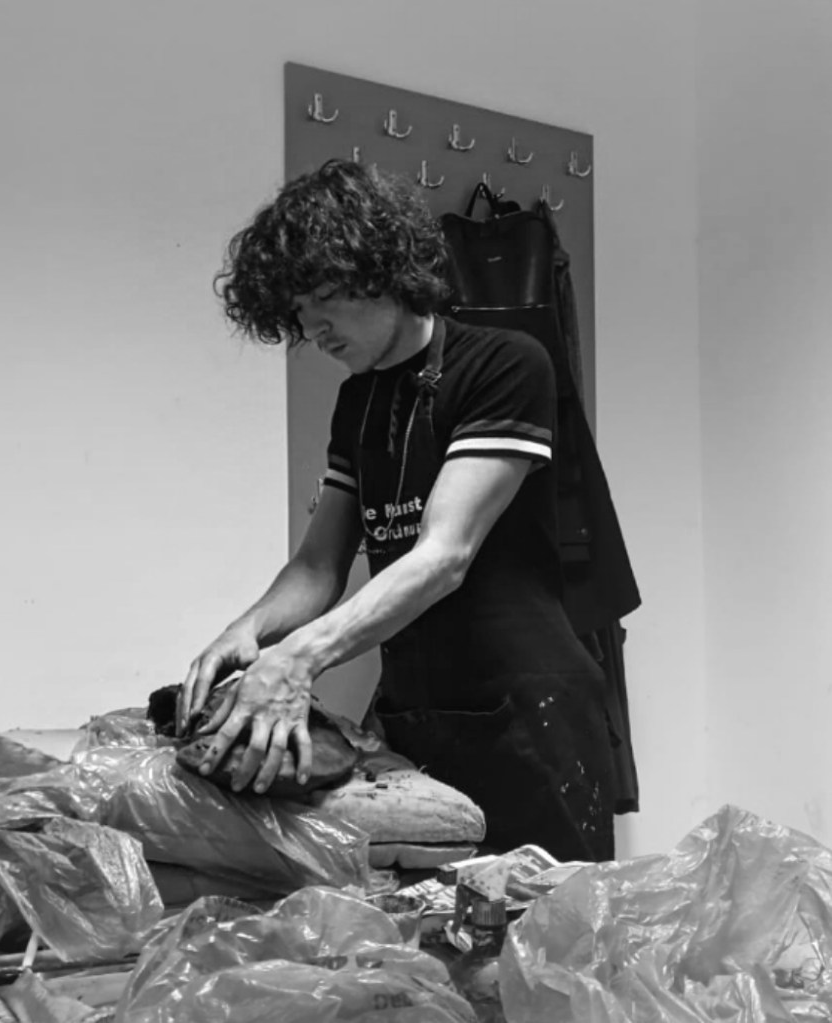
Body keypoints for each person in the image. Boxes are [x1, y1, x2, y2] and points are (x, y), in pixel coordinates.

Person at [178, 158, 616, 861]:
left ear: (380, 270)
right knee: (427, 920)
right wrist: (249, 630)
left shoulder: (505, 363)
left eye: (323, 297)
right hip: (419, 710)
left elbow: (443, 556)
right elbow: (317, 567)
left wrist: (299, 658)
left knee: (542, 921)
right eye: (297, 311)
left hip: (527, 713)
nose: (312, 327)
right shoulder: (358, 399)